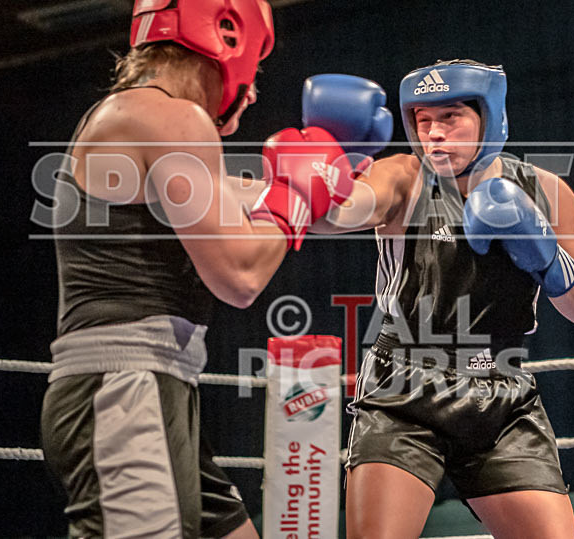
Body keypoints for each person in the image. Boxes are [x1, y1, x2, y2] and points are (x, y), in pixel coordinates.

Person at [39, 1, 390, 537]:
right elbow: (241, 275)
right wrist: (298, 188)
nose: (252, 93)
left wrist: (339, 178)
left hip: (148, 388)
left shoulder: (139, 117)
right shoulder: (172, 118)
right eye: (258, 67)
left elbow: (263, 205)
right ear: (227, 36)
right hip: (123, 388)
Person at [308, 59, 574, 538]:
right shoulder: (403, 177)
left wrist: (546, 255)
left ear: (488, 118)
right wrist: (322, 177)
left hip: (501, 389)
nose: (435, 134)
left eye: (450, 117)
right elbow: (343, 212)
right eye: (423, 121)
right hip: (402, 387)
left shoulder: (546, 192)